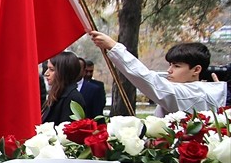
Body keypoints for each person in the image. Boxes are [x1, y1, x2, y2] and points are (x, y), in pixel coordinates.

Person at [89, 32, 225, 115]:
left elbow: (148, 79)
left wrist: (114, 47)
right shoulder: (208, 91)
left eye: (177, 66)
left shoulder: (194, 93)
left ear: (196, 70)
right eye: (170, 65)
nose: (169, 70)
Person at [41, 51, 86, 124]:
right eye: (47, 68)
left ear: (63, 72)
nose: (46, 73)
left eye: (52, 69)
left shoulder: (72, 98)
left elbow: (67, 130)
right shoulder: (57, 94)